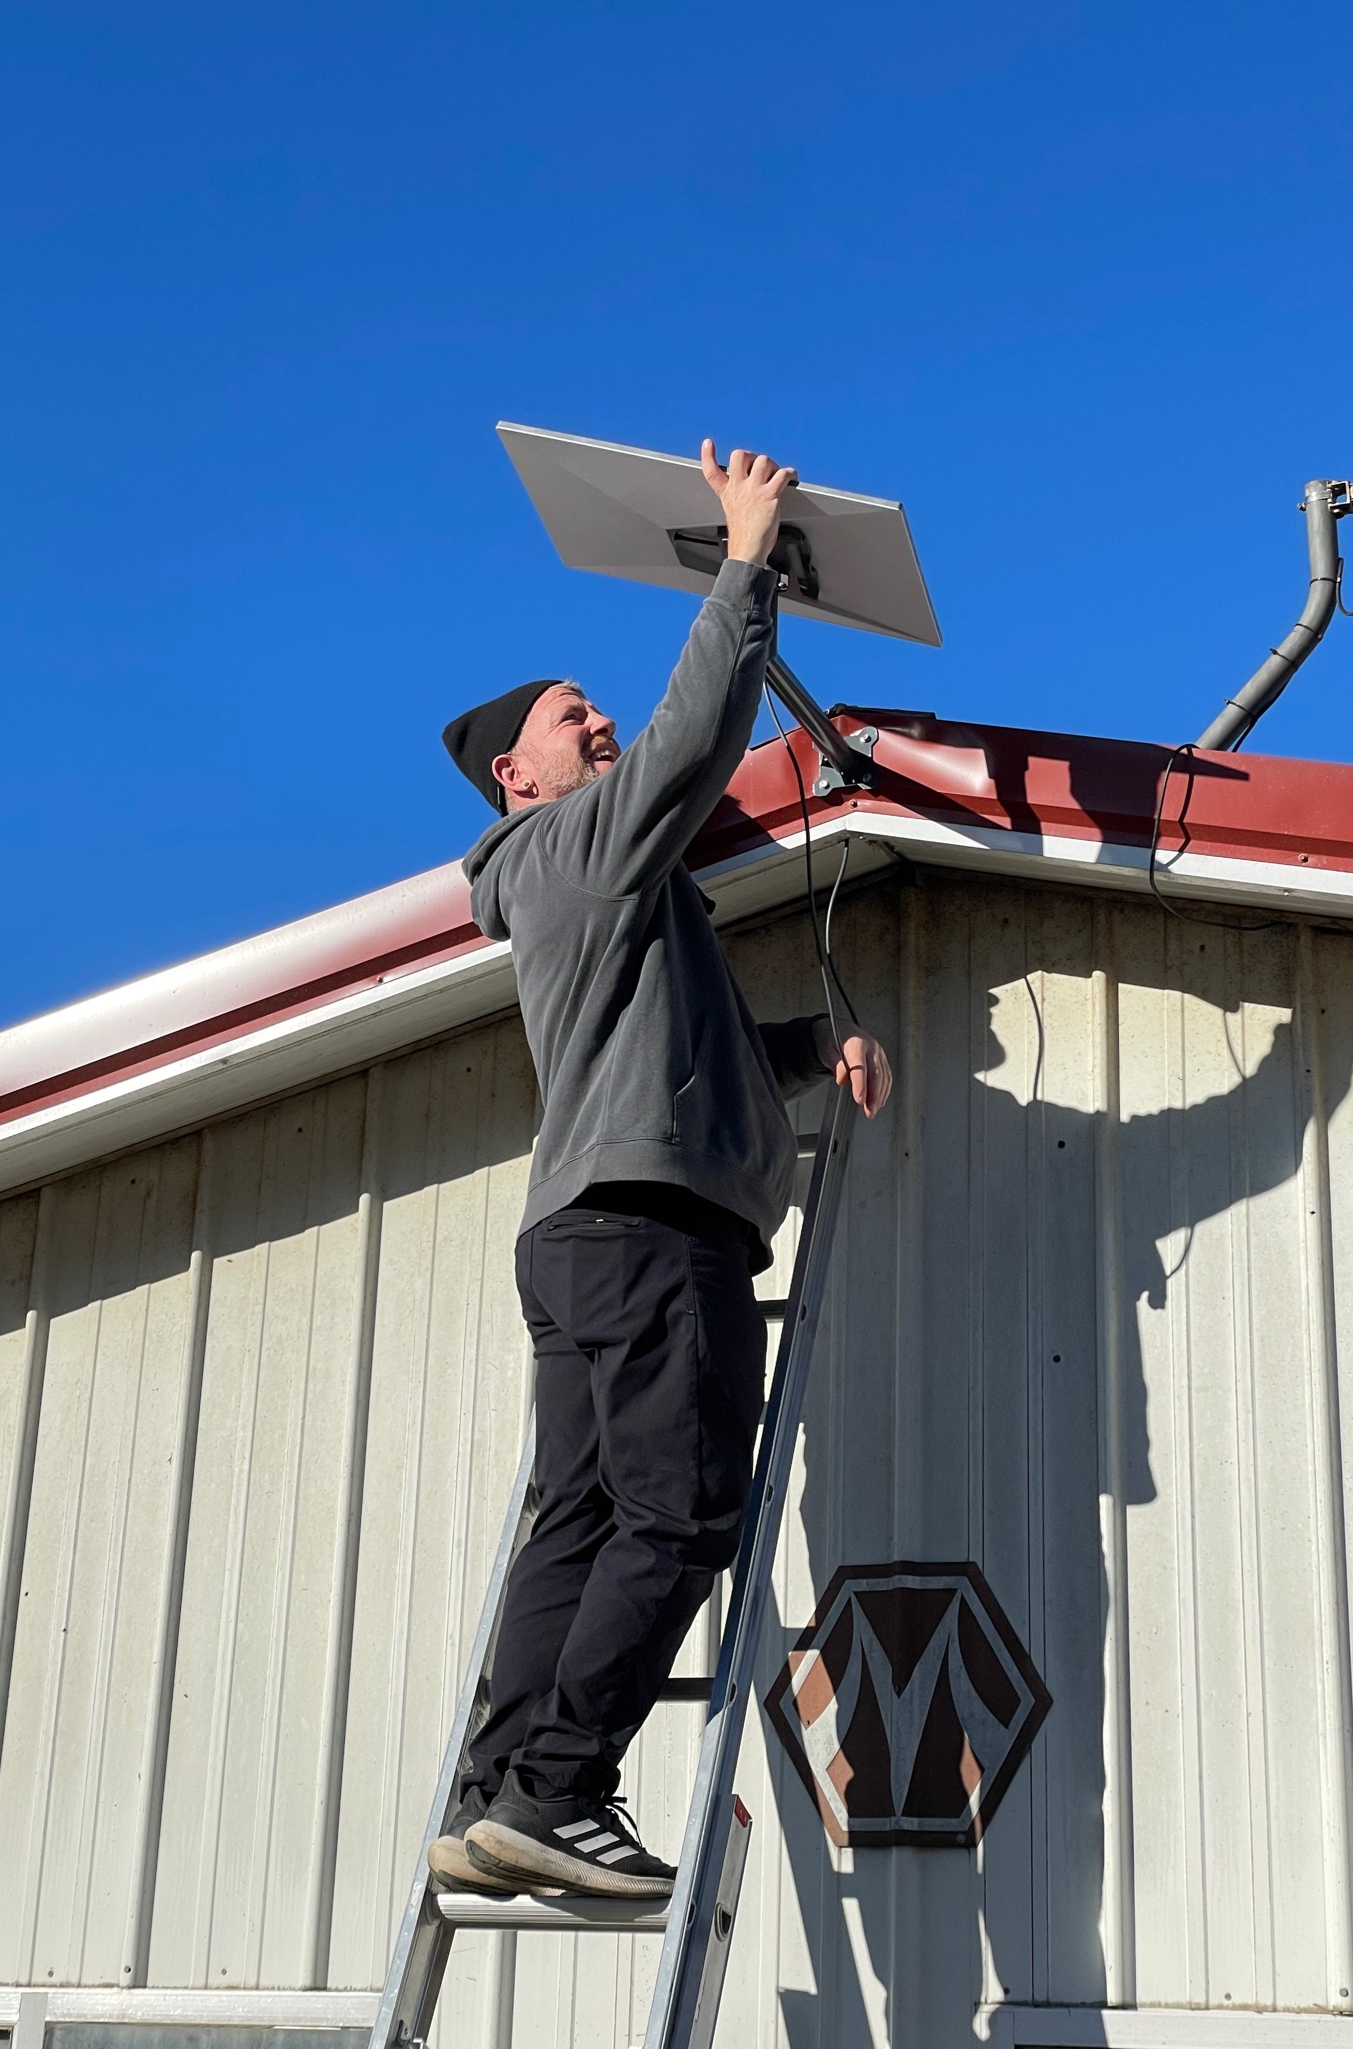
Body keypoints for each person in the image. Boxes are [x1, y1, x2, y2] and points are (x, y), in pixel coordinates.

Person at [430, 443, 892, 1900]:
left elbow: (692, 1040)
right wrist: (747, 558)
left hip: (587, 1230)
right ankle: (565, 1789)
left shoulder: (597, 888)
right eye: (578, 716)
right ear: (522, 772)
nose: (606, 720)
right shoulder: (574, 841)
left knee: (575, 1514)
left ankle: (500, 1788)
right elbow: (700, 733)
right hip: (648, 1230)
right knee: (683, 1509)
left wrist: (815, 1045)